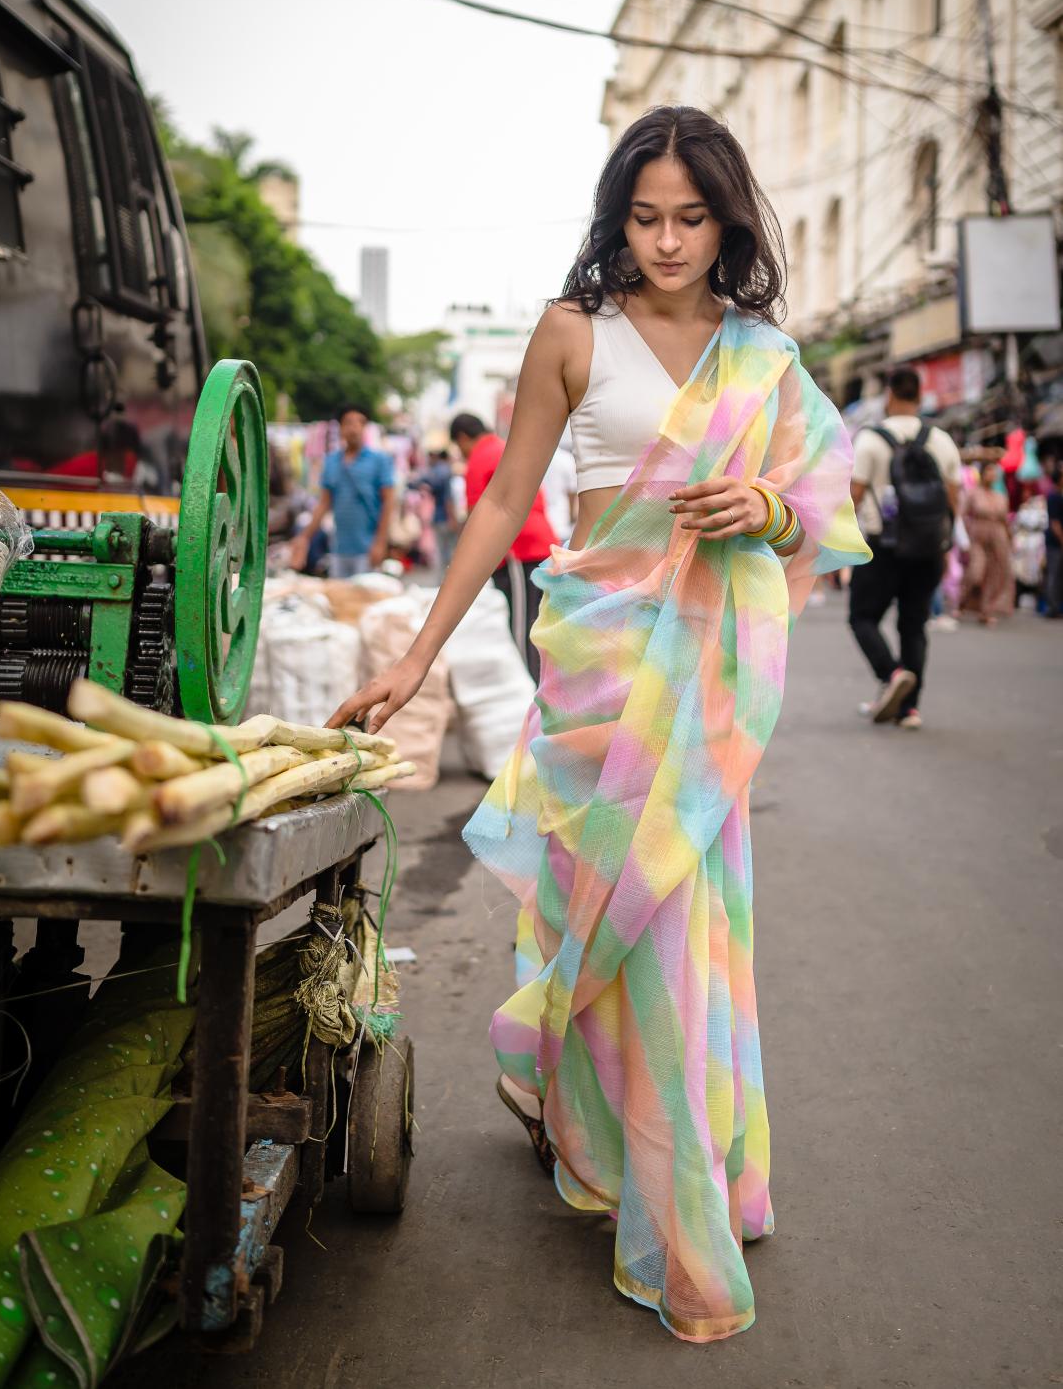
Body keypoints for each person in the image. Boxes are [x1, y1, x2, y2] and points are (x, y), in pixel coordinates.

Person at [328, 105, 868, 1344]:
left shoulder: (761, 351)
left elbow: (823, 499)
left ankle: (682, 1200)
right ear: (613, 214)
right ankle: (577, 1114)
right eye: (645, 216)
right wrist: (418, 652)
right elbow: (510, 493)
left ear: (727, 218)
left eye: (691, 217)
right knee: (587, 913)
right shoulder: (572, 333)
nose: (668, 241)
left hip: (703, 682)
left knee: (678, 926)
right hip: (594, 660)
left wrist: (768, 511)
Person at [848, 367, 961, 729]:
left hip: (883, 545)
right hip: (927, 548)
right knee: (913, 625)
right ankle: (909, 708)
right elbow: (954, 496)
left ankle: (891, 673)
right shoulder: (941, 439)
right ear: (920, 395)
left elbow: (854, 495)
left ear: (890, 395)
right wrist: (944, 540)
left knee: (862, 617)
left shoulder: (870, 440)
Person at [449, 412, 557, 679]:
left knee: (523, 629)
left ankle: (533, 692)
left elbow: (477, 516)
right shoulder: (503, 448)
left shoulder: (480, 458)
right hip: (537, 543)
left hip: (517, 552)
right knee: (539, 623)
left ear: (462, 438)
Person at [289, 404, 394, 578]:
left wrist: (381, 543)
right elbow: (323, 504)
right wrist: (304, 537)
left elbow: (388, 502)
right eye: (348, 423)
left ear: (365, 428)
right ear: (340, 428)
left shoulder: (379, 461)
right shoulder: (331, 462)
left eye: (359, 422)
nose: (353, 428)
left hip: (367, 548)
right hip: (339, 548)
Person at [958, 460, 1015, 624]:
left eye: (994, 472)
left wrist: (1010, 539)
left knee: (994, 573)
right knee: (976, 572)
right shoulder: (973, 493)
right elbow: (962, 515)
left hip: (998, 537)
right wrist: (965, 537)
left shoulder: (1001, 496)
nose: (992, 475)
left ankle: (986, 610)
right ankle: (963, 601)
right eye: (989, 471)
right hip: (978, 537)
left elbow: (1005, 521)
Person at [1045, 462, 1063, 617]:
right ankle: (1052, 607)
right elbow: (1055, 523)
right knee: (1054, 574)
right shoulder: (1054, 496)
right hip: (1055, 543)